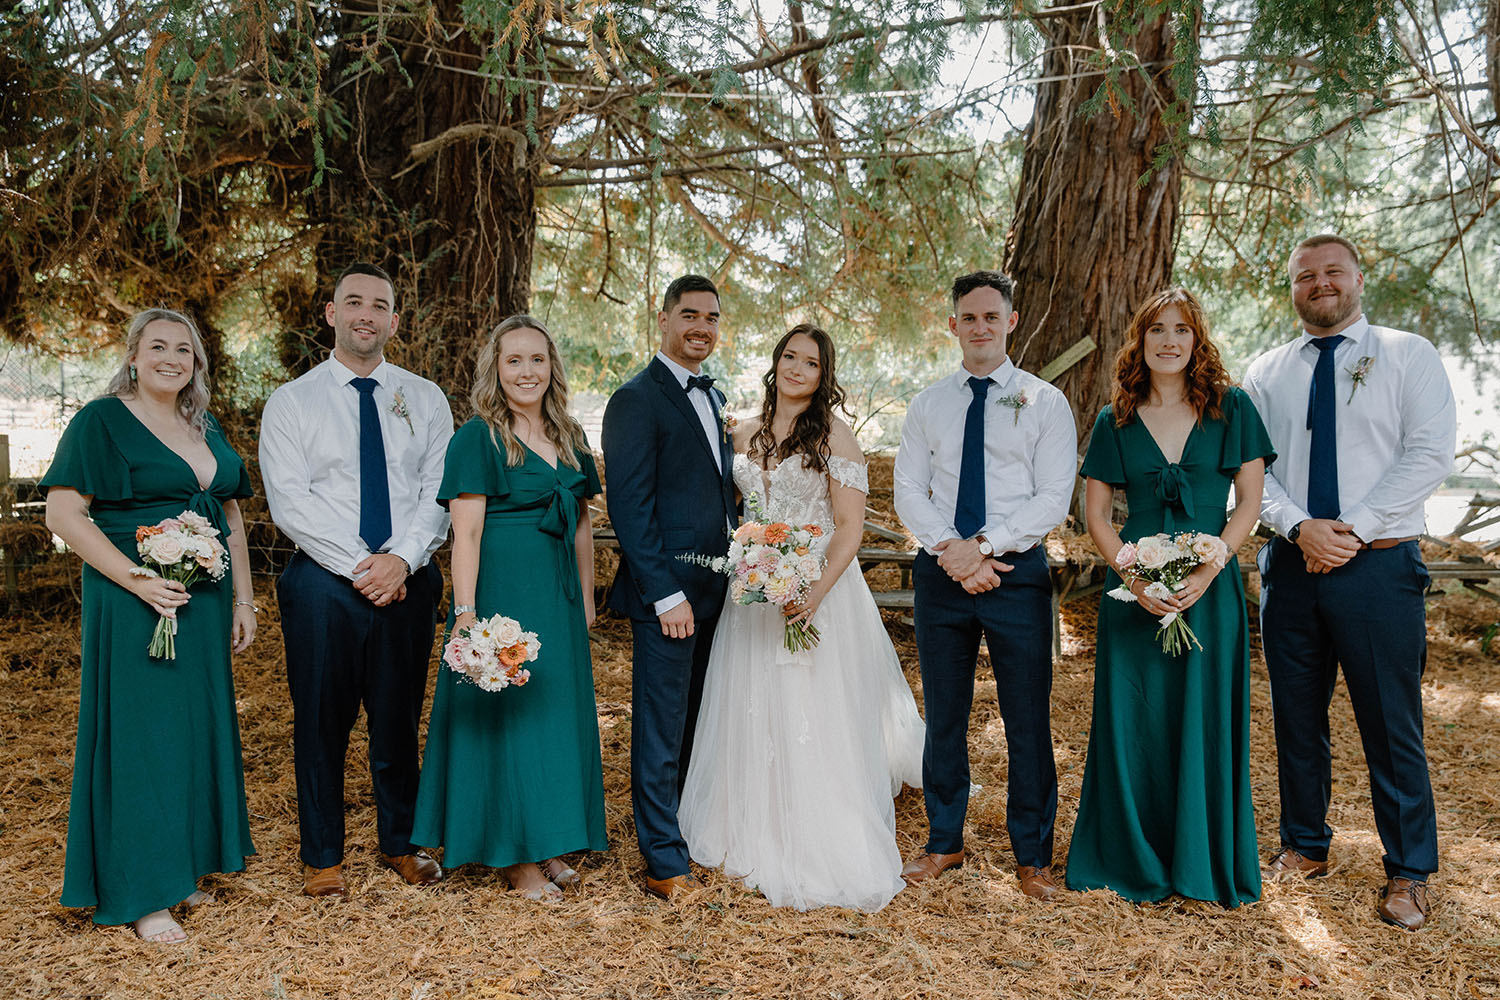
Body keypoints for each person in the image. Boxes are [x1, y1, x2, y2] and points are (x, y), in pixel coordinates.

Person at [1244, 234, 1456, 931]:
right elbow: (1251, 474)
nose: (1321, 284)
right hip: (1293, 567)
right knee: (1296, 717)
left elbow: (1428, 454)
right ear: (1293, 288)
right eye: (1306, 275)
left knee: (1390, 723)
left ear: (1359, 278)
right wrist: (1302, 527)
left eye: (1333, 272)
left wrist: (1353, 528)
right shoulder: (1266, 371)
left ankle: (1409, 871)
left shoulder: (1406, 354)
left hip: (1379, 568)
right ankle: (1304, 845)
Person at [678, 324, 926, 912]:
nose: (797, 368)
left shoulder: (835, 438)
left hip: (817, 590)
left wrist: (810, 592)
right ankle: (746, 822)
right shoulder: (740, 430)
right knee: (750, 701)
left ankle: (813, 828)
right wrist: (751, 562)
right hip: (753, 597)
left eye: (810, 363)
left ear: (823, 375)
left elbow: (849, 527)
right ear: (776, 362)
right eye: (789, 356)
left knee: (809, 705)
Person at [42, 308, 257, 943]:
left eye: (184, 350)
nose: (171, 358)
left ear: (197, 363)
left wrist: (245, 600)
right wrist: (135, 579)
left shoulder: (202, 423)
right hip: (136, 598)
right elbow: (62, 513)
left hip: (204, 600)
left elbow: (232, 518)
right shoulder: (100, 421)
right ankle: (142, 892)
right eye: (157, 346)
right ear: (133, 356)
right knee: (142, 739)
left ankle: (180, 869)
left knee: (190, 734)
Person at [1065, 288, 1274, 907]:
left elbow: (1251, 506)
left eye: (1182, 329)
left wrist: (1210, 568)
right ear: (1140, 339)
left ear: (1197, 338)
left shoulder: (1231, 409)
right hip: (1134, 593)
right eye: (1157, 329)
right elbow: (1097, 515)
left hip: (1209, 591)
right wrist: (1133, 577)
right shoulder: (1117, 418)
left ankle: (1201, 860)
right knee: (1135, 719)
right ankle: (1129, 856)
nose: (1170, 340)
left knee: (1202, 716)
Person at [259, 261, 453, 898]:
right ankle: (322, 857)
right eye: (353, 303)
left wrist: (402, 559)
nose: (365, 314)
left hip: (409, 576)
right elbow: (290, 502)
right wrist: (363, 568)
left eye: (379, 305)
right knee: (321, 717)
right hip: (322, 581)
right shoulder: (293, 402)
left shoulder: (425, 398)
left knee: (398, 716)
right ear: (331, 314)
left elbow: (438, 491)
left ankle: (401, 842)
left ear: (395, 321)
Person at [892, 270, 1076, 899]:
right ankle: (943, 841)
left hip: (1015, 572)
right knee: (945, 713)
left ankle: (1033, 855)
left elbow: (1054, 496)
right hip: (942, 572)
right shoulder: (928, 404)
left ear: (1010, 322)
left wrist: (986, 548)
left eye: (991, 317)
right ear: (953, 325)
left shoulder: (1045, 401)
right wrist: (952, 551)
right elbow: (909, 490)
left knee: (1028, 717)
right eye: (968, 318)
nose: (980, 327)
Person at [411, 316, 607, 900]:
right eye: (514, 361)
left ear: (553, 367)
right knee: (509, 723)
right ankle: (514, 857)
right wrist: (466, 614)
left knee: (551, 721)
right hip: (501, 600)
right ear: (496, 369)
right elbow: (464, 535)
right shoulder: (478, 437)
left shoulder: (571, 436)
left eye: (538, 360)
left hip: (558, 598)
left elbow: (583, 526)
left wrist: (587, 598)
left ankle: (548, 842)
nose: (527, 372)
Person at [601, 274, 739, 900]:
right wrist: (664, 594)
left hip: (719, 592)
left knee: (696, 723)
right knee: (660, 727)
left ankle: (687, 828)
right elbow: (630, 508)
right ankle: (662, 859)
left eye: (710, 318)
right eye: (688, 315)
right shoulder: (636, 398)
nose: (700, 328)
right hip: (670, 598)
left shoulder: (712, 398)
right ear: (662, 319)